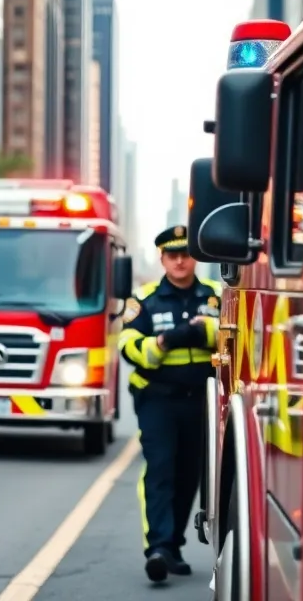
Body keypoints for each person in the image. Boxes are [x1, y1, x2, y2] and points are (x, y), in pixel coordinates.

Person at [118, 225, 220, 583]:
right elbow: (129, 346)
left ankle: (173, 546)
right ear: (162, 259)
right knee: (161, 470)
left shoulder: (215, 296)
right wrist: (163, 342)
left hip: (201, 403)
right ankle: (158, 547)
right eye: (172, 255)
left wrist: (203, 331)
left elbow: (228, 334)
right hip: (158, 400)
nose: (180, 260)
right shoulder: (143, 300)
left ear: (195, 257)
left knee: (189, 475)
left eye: (186, 254)